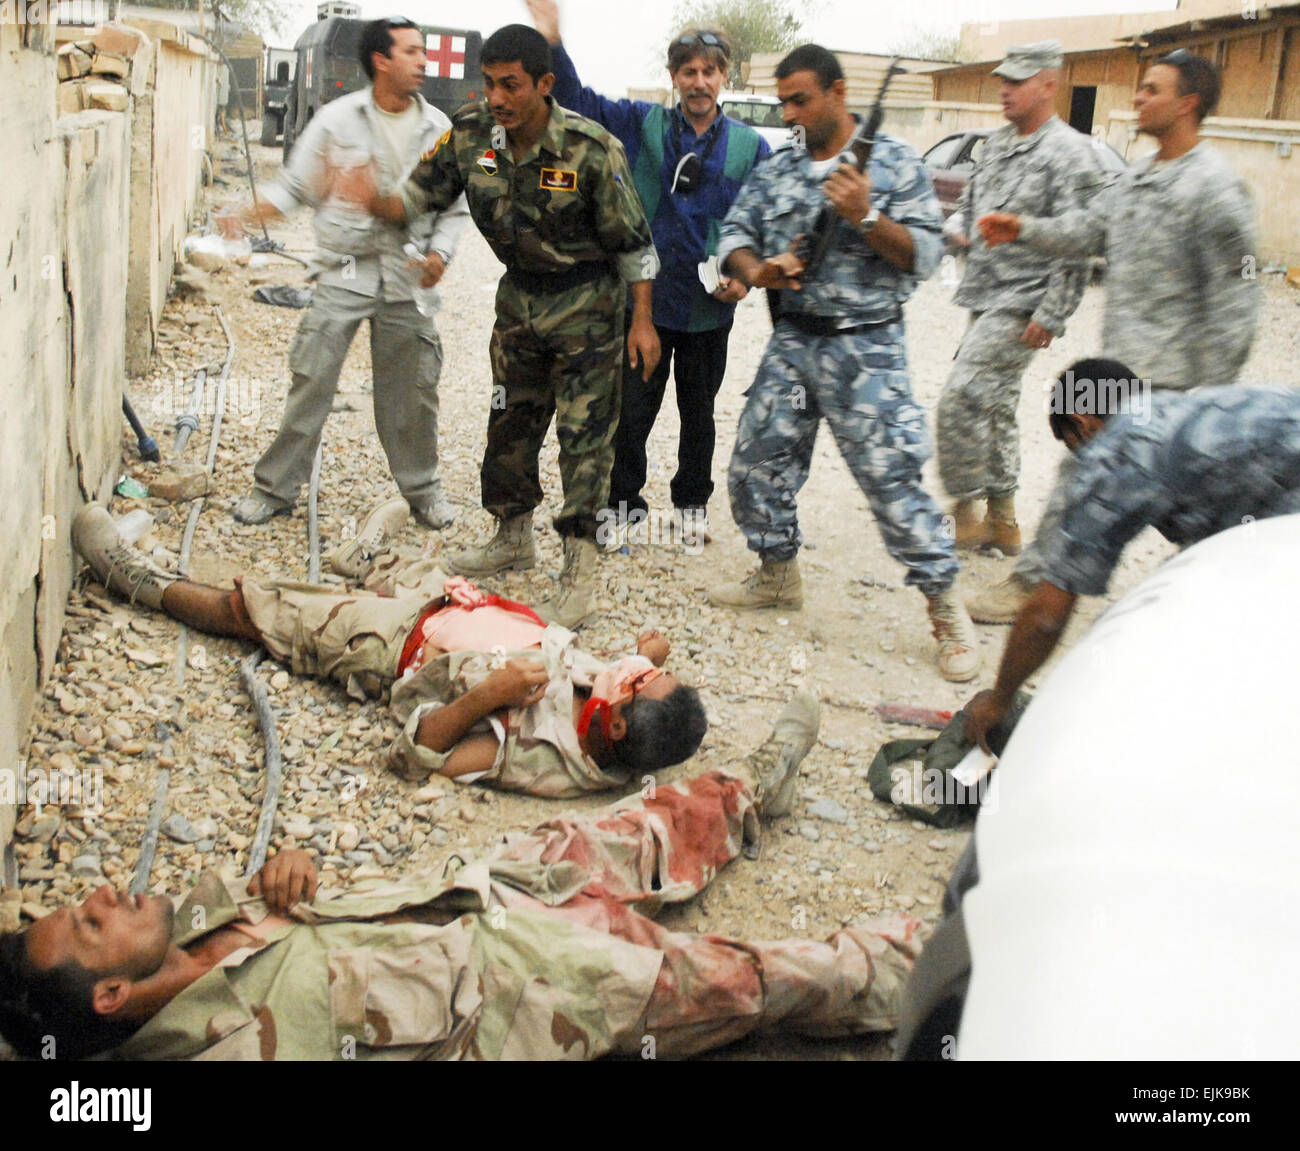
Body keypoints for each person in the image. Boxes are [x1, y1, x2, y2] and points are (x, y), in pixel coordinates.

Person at [0, 694, 924, 1061]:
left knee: (639, 828)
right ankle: (938, 964)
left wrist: (295, 874)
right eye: (86, 926)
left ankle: (752, 791)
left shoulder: (194, 917)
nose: (100, 895)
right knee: (759, 980)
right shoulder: (226, 1053)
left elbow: (317, 923)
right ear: (113, 993)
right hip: (545, 990)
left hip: (484, 890)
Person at [341, 24, 661, 629]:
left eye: (511, 85)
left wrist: (641, 321)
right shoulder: (470, 137)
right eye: (489, 83)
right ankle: (512, 536)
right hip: (519, 302)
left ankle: (580, 574)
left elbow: (635, 247)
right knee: (509, 422)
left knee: (584, 440)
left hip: (588, 305)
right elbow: (414, 200)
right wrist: (369, 198)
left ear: (545, 84)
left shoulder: (592, 149)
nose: (498, 98)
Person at [71, 501, 706, 798]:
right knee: (401, 564)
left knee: (255, 612)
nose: (640, 670)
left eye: (643, 680)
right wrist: (646, 656)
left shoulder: (538, 754)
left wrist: (488, 695)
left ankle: (134, 579)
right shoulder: (612, 712)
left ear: (617, 721)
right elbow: (631, 680)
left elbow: (420, 757)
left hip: (389, 643)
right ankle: (366, 557)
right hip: (454, 606)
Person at [708, 44, 980, 683]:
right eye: (784, 102)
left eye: (800, 99)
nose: (791, 112)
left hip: (867, 348)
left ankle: (946, 608)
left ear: (836, 92)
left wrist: (866, 216)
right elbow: (733, 237)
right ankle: (777, 574)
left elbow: (923, 256)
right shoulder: (781, 167)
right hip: (794, 341)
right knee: (755, 465)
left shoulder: (894, 164)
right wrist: (761, 271)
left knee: (893, 482)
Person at [967, 49, 1259, 624]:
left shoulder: (1216, 188)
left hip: (1176, 382)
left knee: (1191, 502)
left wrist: (1213, 398)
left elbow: (1237, 303)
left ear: (1188, 103)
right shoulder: (1136, 178)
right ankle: (1034, 583)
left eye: (1152, 89)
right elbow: (1085, 231)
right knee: (1081, 472)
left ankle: (1218, 598)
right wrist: (1023, 228)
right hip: (1118, 374)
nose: (1138, 97)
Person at [527, 1, 771, 549]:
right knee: (632, 413)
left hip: (710, 311)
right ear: (674, 77)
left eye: (710, 71)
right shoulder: (643, 125)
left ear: (724, 76)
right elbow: (577, 101)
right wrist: (552, 37)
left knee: (699, 415)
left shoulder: (751, 148)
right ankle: (623, 510)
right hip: (645, 308)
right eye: (689, 71)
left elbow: (764, 222)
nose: (699, 81)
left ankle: (690, 509)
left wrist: (745, 279)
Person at [964, 359, 1300, 749]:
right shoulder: (1180, 407)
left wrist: (1000, 700)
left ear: (1082, 421)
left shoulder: (1119, 454)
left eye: (1073, 446)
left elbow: (1045, 615)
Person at [230, 17, 470, 531]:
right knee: (312, 379)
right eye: (411, 51)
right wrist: (248, 212)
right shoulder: (337, 121)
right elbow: (295, 188)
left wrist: (441, 258)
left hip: (408, 277)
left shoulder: (439, 131)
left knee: (414, 393)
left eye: (422, 51)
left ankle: (423, 493)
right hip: (345, 270)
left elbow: (453, 210)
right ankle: (273, 490)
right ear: (381, 60)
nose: (423, 61)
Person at [936, 41, 1107, 556]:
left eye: (1017, 81)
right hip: (984, 294)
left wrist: (1053, 312)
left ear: (1049, 84)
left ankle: (964, 509)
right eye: (1003, 81)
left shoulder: (1071, 153)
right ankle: (1003, 519)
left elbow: (1082, 240)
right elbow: (967, 206)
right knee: (995, 405)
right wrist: (958, 232)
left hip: (1024, 303)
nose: (1004, 90)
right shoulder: (996, 144)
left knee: (961, 395)